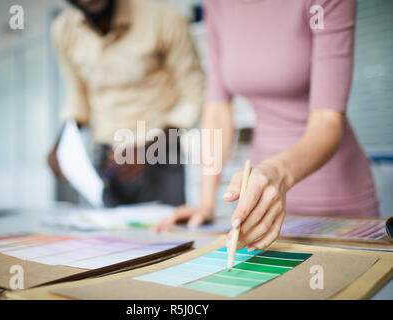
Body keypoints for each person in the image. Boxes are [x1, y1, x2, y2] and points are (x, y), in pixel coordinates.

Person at [154, 0, 379, 251]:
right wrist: (206, 203)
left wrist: (278, 174)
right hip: (261, 201)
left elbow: (327, 121)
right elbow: (217, 109)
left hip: (332, 198)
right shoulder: (216, 4)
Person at [47, 0, 204, 207]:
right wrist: (62, 145)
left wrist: (151, 150)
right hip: (105, 158)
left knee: (166, 235)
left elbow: (193, 93)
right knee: (107, 236)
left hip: (161, 151)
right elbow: (77, 96)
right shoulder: (63, 31)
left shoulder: (163, 18)